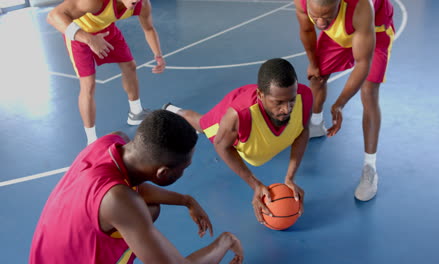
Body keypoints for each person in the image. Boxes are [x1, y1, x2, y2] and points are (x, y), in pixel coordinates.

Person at [29, 110, 244, 264]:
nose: (184, 172)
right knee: (142, 214)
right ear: (163, 173)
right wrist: (225, 242)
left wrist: (185, 200)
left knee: (150, 210)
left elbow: (134, 189)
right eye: (184, 168)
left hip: (48, 253)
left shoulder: (111, 142)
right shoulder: (119, 201)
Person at [164, 58, 312, 224]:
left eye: (291, 100)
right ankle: (173, 111)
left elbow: (302, 130)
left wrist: (290, 177)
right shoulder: (238, 115)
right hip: (232, 110)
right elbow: (221, 146)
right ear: (261, 95)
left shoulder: (304, 96)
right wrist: (255, 184)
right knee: (201, 125)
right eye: (278, 103)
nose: (287, 109)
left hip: (251, 110)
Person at [293, 0, 394, 201]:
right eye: (316, 17)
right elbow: (306, 30)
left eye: (326, 17)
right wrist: (313, 64)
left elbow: (362, 63)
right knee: (317, 76)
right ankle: (316, 124)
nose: (320, 23)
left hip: (374, 29)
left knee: (369, 92)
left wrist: (339, 104)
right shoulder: (303, 3)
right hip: (340, 29)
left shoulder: (361, 7)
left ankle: (369, 168)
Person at [47, 0, 167, 145]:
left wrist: (158, 55)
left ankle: (136, 112)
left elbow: (148, 29)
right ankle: (91, 140)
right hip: (80, 35)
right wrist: (89, 39)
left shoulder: (142, 4)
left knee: (130, 66)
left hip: (106, 29)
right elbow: (53, 16)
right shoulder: (93, 2)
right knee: (88, 84)